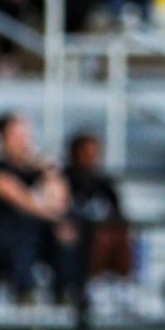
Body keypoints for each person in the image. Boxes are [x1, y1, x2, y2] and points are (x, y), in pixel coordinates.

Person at [0, 113, 71, 304]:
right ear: (2, 138)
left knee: (64, 240)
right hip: (0, 244)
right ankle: (26, 295)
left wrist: (50, 173)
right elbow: (23, 202)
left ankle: (66, 294)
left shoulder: (36, 171)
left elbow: (59, 201)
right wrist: (54, 216)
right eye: (17, 136)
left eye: (26, 135)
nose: (24, 141)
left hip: (34, 242)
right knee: (23, 240)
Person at [63, 132, 133, 309]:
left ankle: (121, 286)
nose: (91, 158)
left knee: (119, 233)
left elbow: (117, 212)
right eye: (86, 153)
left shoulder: (104, 183)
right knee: (102, 235)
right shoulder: (64, 179)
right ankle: (94, 285)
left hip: (103, 231)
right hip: (74, 233)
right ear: (74, 153)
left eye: (95, 153)